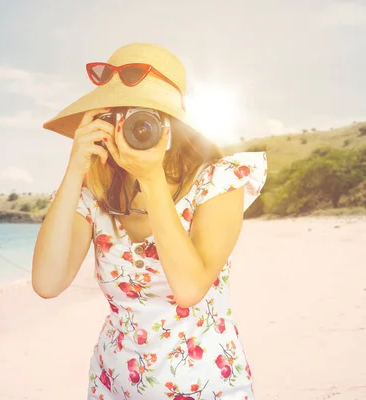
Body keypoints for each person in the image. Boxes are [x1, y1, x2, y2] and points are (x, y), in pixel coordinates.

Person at [32, 43, 267, 399]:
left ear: (171, 124)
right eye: (117, 116)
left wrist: (152, 178)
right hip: (113, 385)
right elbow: (47, 283)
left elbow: (189, 289)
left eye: (145, 117)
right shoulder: (94, 194)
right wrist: (74, 171)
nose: (132, 128)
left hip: (207, 387)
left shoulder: (217, 181)